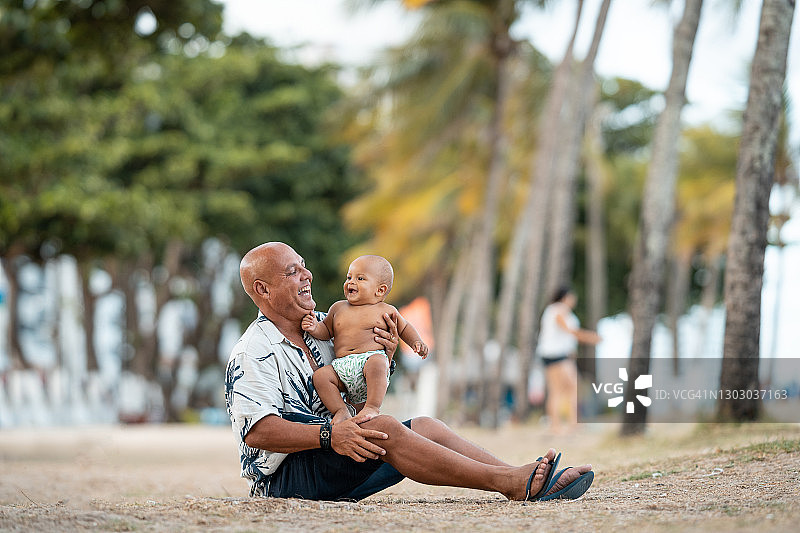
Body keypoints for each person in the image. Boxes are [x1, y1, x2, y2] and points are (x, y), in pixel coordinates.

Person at [226, 242, 594, 501]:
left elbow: (358, 384)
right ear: (263, 289)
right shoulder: (252, 350)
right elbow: (257, 431)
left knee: (425, 426)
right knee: (385, 427)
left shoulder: (328, 326)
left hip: (338, 451)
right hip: (287, 478)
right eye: (293, 271)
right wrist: (329, 435)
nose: (307, 274)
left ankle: (525, 477)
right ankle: (510, 483)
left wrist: (385, 354)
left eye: (303, 265)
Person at [302, 254, 428, 424]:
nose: (351, 282)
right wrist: (315, 328)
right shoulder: (338, 308)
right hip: (342, 367)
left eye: (360, 278)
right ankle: (341, 410)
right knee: (320, 376)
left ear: (380, 290)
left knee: (378, 362)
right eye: (349, 277)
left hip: (368, 363)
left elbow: (404, 327)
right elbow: (326, 330)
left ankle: (372, 407)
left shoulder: (385, 310)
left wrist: (416, 342)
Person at [537, 286, 601, 434]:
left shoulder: (552, 310)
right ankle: (570, 424)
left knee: (558, 390)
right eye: (572, 297)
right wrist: (591, 338)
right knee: (570, 388)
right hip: (557, 356)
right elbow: (569, 331)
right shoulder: (559, 309)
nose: (574, 300)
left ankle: (558, 425)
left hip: (552, 355)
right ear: (565, 297)